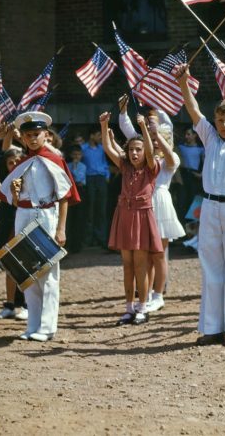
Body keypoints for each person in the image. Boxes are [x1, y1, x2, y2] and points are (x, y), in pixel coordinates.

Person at [175, 58, 225, 347]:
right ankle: (212, 327)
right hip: (210, 207)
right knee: (211, 266)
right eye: (220, 120)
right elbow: (193, 110)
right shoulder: (209, 137)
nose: (224, 124)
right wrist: (183, 83)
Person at [0, 112, 80, 342]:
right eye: (28, 135)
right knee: (27, 272)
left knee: (47, 273)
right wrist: (15, 193)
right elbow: (14, 199)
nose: (33, 139)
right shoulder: (22, 163)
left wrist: (61, 229)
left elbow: (64, 196)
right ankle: (32, 325)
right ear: (22, 138)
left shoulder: (54, 160)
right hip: (23, 215)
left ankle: (47, 327)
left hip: (46, 215)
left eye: (37, 134)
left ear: (46, 135)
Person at [117, 102, 184, 313]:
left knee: (159, 254)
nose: (154, 143)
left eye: (157, 140)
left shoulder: (170, 159)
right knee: (143, 255)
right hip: (142, 206)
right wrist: (122, 112)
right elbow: (128, 131)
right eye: (152, 140)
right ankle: (144, 296)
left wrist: (158, 129)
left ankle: (158, 294)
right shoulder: (144, 160)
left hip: (160, 204)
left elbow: (169, 156)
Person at [100, 111, 161, 325]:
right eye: (131, 150)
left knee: (140, 265)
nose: (134, 153)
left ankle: (142, 307)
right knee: (127, 265)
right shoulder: (125, 166)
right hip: (124, 215)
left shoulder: (151, 168)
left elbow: (151, 153)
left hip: (142, 216)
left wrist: (143, 127)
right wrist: (104, 125)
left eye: (138, 149)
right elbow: (108, 147)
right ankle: (128, 308)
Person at [0, 145, 28, 321]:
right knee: (8, 262)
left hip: (24, 221)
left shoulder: (30, 178)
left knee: (24, 264)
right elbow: (1, 151)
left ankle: (26, 305)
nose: (14, 165)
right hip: (7, 221)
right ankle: (10, 304)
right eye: (10, 162)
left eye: (17, 161)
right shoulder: (6, 178)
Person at [80, 126, 110, 249]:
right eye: (98, 135)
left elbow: (105, 163)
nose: (100, 138)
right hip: (89, 179)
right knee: (90, 209)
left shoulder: (102, 148)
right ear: (92, 136)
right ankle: (88, 239)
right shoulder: (83, 149)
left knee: (101, 209)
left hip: (101, 178)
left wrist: (107, 175)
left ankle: (101, 238)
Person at [65, 146, 87, 253]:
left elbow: (78, 179)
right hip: (70, 191)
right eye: (74, 154)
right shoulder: (67, 165)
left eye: (78, 154)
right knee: (70, 218)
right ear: (71, 155)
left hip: (80, 190)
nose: (76, 157)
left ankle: (77, 245)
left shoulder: (83, 166)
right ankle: (68, 244)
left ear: (81, 155)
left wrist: (74, 168)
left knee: (79, 217)